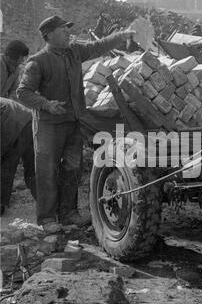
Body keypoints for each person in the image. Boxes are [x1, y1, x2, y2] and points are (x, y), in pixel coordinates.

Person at [17, 15, 135, 233]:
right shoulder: (38, 61)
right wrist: (46, 104)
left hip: (73, 122)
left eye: (67, 29)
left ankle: (69, 213)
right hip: (48, 125)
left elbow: (98, 46)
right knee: (47, 171)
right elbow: (22, 93)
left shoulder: (74, 52)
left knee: (72, 168)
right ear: (49, 35)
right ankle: (46, 218)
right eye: (63, 30)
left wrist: (122, 35)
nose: (68, 33)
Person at [1, 98, 36, 215]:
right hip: (27, 120)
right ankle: (52, 206)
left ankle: (1, 204)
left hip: (19, 124)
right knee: (33, 170)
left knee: (7, 164)